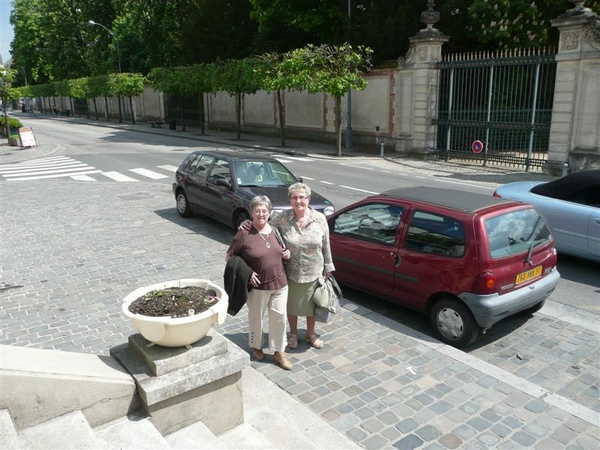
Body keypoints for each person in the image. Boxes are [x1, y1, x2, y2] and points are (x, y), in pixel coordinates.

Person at [259, 182, 335, 350]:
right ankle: (293, 334)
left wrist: (328, 267)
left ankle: (310, 333)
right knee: (292, 306)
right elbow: (266, 228)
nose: (298, 201)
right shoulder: (282, 218)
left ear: (308, 199)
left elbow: (326, 244)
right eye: (294, 197)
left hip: (314, 271)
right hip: (290, 271)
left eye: (302, 197)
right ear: (290, 200)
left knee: (312, 305)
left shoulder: (320, 219)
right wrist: (249, 226)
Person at [226, 195, 293, 370]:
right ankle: (256, 346)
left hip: (280, 283)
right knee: (256, 317)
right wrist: (247, 273)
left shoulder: (275, 229)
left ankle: (279, 352)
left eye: (264, 211)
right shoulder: (244, 232)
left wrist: (286, 254)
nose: (261, 214)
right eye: (257, 211)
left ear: (269, 212)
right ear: (252, 212)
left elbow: (281, 250)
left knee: (279, 318)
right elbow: (229, 257)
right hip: (258, 286)